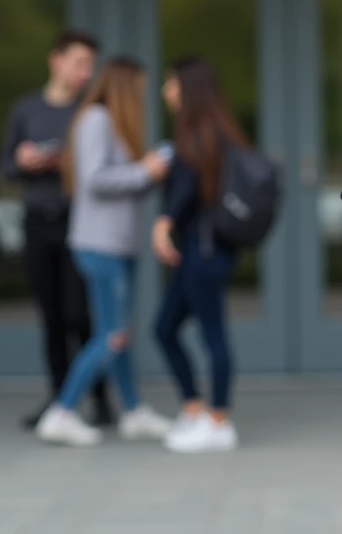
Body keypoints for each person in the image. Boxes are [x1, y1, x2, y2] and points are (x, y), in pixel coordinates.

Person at [35, 56, 174, 447]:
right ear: (124, 88)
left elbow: (125, 185)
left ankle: (133, 411)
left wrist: (152, 172)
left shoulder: (113, 124)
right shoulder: (96, 119)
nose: (142, 99)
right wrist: (145, 170)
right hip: (101, 244)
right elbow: (95, 180)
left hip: (119, 244)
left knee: (119, 332)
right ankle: (61, 412)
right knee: (111, 333)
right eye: (139, 90)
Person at [0, 29, 112, 429]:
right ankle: (59, 401)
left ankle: (99, 399)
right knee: (51, 317)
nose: (86, 72)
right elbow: (6, 168)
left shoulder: (91, 112)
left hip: (80, 222)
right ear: (56, 61)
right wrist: (24, 162)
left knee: (80, 314)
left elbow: (106, 166)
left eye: (90, 65)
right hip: (38, 221)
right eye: (80, 63)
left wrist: (72, 164)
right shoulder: (26, 109)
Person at [151, 57, 246, 453]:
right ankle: (195, 410)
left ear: (188, 89)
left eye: (171, 84)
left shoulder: (199, 136)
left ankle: (219, 421)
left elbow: (188, 188)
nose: (166, 92)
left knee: (212, 335)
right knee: (165, 328)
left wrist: (163, 223)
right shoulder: (213, 133)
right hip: (203, 250)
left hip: (204, 251)